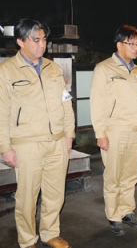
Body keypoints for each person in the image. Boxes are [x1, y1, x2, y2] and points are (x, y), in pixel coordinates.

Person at [0, 18, 75, 248]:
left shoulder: (53, 68)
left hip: (57, 141)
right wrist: (6, 147)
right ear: (21, 41)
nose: (41, 45)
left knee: (55, 192)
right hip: (26, 144)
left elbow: (65, 102)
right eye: (35, 40)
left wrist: (69, 134)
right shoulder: (6, 71)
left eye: (44, 39)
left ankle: (50, 233)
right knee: (27, 197)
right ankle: (27, 240)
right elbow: (2, 111)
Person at [90, 25, 137, 236]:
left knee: (130, 176)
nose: (136, 48)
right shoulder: (104, 69)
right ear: (119, 44)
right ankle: (114, 216)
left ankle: (127, 211)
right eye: (131, 43)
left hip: (134, 131)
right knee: (113, 176)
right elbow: (97, 103)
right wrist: (100, 134)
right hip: (113, 131)